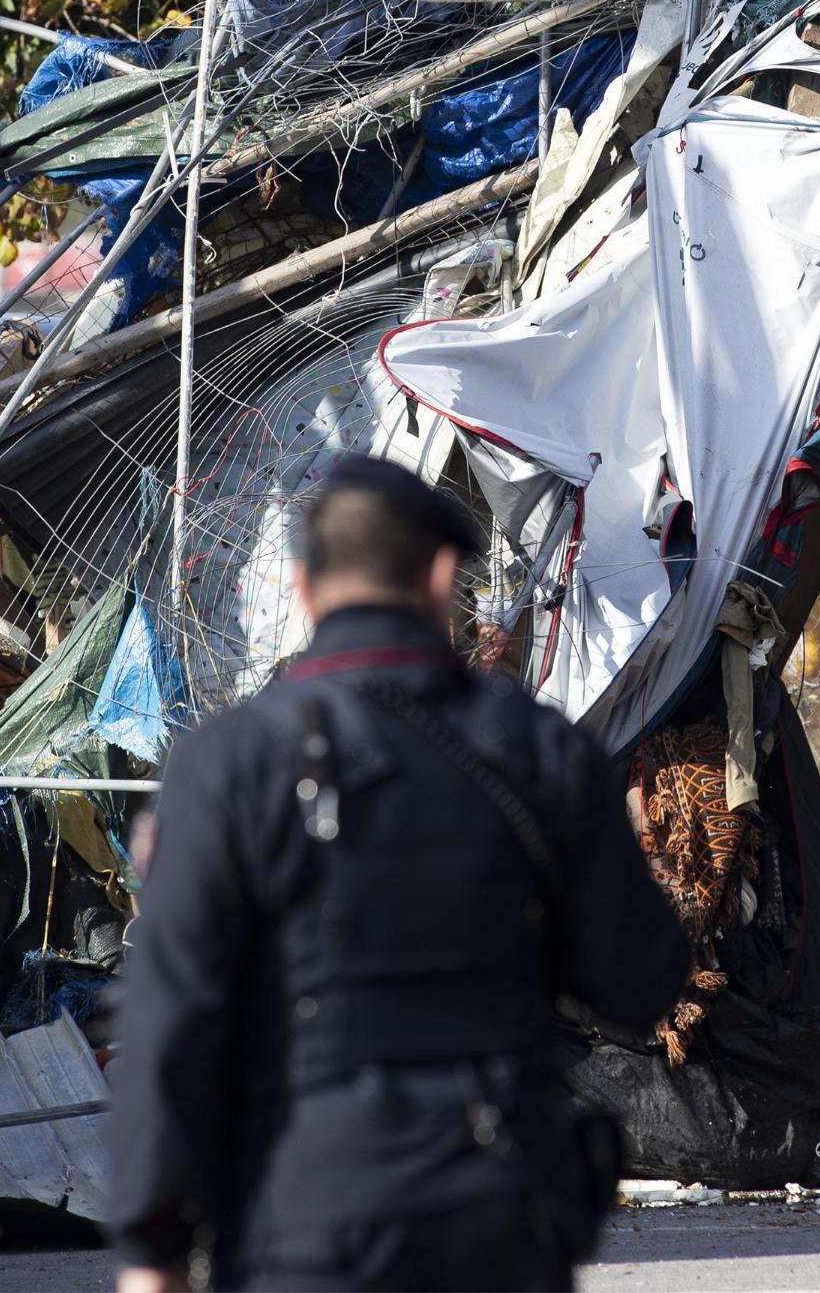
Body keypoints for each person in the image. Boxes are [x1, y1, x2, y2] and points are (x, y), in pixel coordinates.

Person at [108, 454, 689, 1292]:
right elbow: (640, 981)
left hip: (303, 1219)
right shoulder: (536, 750)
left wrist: (150, 1246)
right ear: (441, 578)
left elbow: (172, 1020)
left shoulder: (228, 762)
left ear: (303, 586)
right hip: (499, 1216)